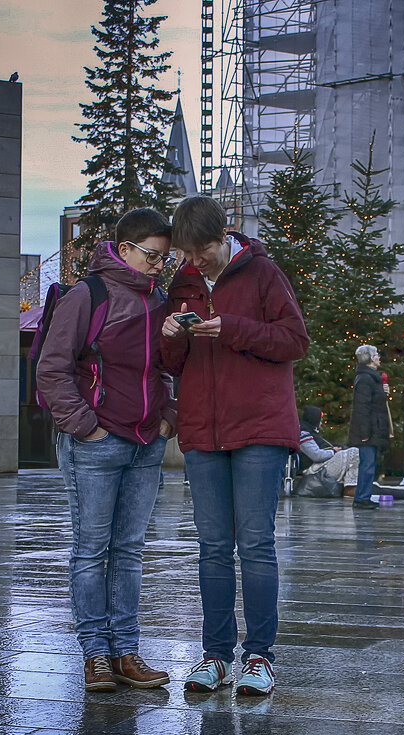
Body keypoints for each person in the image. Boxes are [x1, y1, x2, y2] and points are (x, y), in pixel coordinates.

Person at [161, 195, 309, 696]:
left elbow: (294, 340)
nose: (195, 260)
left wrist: (236, 329)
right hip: (203, 429)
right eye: (187, 252)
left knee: (256, 544)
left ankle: (260, 658)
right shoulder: (182, 284)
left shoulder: (264, 274)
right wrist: (171, 334)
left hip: (260, 428)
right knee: (212, 548)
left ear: (224, 235)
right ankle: (215, 656)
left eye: (202, 249)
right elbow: (169, 361)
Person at [37, 208, 177, 693]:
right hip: (97, 442)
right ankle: (96, 654)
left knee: (130, 551)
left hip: (146, 442)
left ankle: (126, 652)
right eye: (154, 255)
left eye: (167, 257)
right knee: (91, 550)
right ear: (126, 248)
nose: (161, 265)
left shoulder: (159, 300)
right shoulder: (87, 295)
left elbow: (168, 366)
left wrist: (168, 418)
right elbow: (52, 369)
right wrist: (84, 427)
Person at [349, 344, 391, 509]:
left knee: (369, 463)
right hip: (369, 429)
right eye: (377, 355)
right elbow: (362, 407)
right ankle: (362, 497)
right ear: (371, 358)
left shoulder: (371, 378)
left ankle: (363, 496)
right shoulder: (366, 379)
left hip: (373, 427)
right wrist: (364, 432)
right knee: (367, 464)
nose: (379, 357)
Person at [297, 405, 360, 497]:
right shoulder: (303, 433)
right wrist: (333, 452)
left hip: (320, 466)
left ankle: (352, 486)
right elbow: (316, 455)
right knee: (355, 452)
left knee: (352, 453)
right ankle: (350, 488)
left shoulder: (311, 432)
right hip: (314, 470)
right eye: (320, 419)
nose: (321, 422)